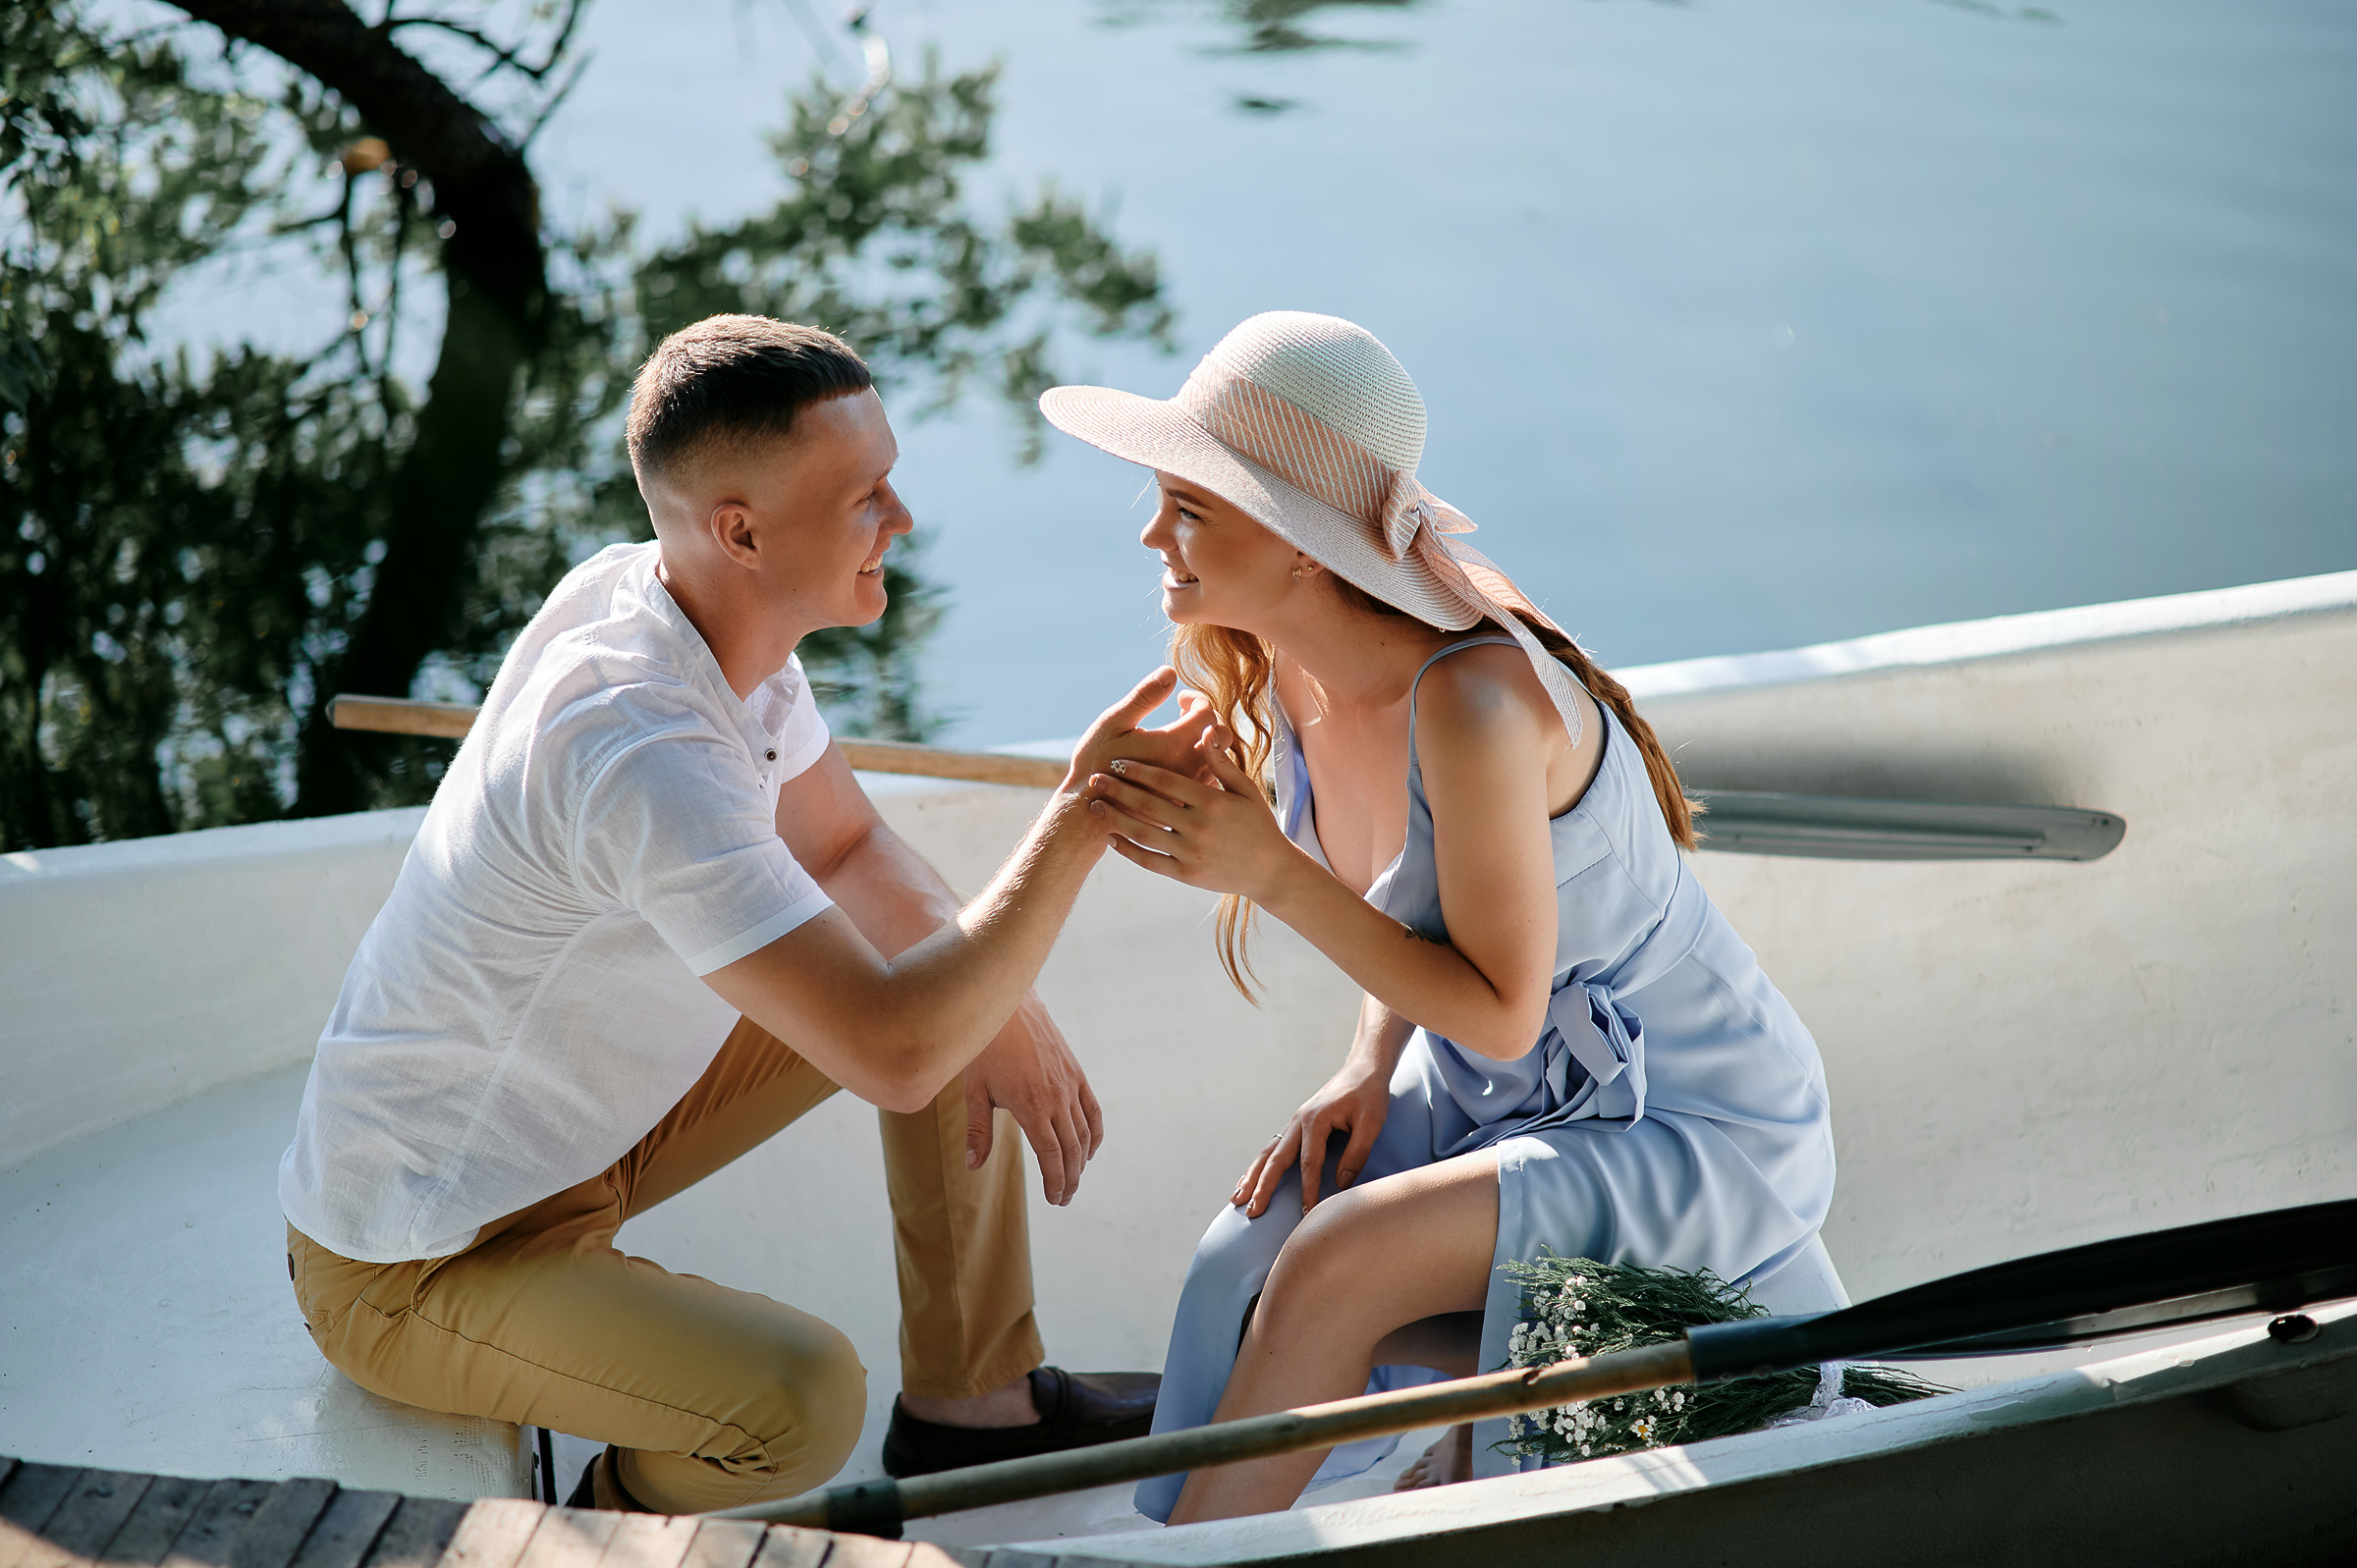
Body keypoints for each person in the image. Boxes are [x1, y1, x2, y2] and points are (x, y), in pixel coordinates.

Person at [279, 315, 1198, 1514]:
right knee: (800, 1401)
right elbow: (894, 1047)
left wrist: (1005, 1011)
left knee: (951, 974)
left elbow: (847, 845)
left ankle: (974, 1407)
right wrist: (1082, 816)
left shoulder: (694, 612)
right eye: (866, 497)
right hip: (420, 1251)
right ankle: (600, 1532)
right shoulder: (643, 749)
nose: (902, 518)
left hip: (576, 1136)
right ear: (742, 532)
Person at [1039, 311, 1840, 1523]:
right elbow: (1423, 910)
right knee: (1243, 1251)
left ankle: (1193, 1559)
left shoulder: (1471, 702)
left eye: (1188, 506)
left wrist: (1271, 871)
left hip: (1686, 1117)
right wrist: (1368, 1060)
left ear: (1302, 543)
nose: (1154, 534)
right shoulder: (1289, 667)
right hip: (1494, 1086)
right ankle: (1222, 1528)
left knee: (1333, 1258)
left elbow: (1506, 1011)